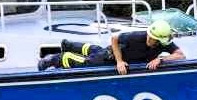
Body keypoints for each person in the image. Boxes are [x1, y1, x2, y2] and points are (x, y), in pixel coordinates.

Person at [37, 19, 185, 73]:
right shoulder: (137, 36)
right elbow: (114, 38)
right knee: (86, 62)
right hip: (112, 57)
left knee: (96, 51)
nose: (150, 39)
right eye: (150, 36)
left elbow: (180, 55)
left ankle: (69, 45)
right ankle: (53, 59)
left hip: (118, 54)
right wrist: (120, 61)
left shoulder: (164, 41)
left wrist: (161, 60)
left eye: (155, 40)